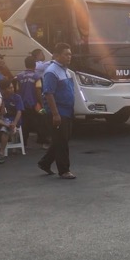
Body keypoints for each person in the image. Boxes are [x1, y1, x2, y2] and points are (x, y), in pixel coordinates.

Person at [38, 43, 76, 180]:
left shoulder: (65, 70)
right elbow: (48, 93)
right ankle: (64, 170)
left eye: (70, 54)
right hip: (59, 112)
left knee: (62, 139)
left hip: (67, 110)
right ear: (57, 55)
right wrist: (55, 114)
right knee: (62, 142)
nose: (69, 57)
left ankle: (45, 163)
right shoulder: (51, 71)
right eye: (66, 54)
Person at [16, 55, 50, 149]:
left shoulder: (19, 76)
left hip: (23, 105)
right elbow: (38, 91)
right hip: (36, 105)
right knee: (42, 120)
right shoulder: (37, 76)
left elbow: (18, 91)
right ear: (35, 65)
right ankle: (43, 140)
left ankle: (24, 142)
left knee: (25, 123)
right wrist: (41, 104)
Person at [0, 78, 23, 159]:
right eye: (10, 88)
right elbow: (1, 115)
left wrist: (14, 123)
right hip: (4, 120)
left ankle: (1, 151)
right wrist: (2, 102)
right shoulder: (0, 98)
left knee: (4, 130)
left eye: (12, 87)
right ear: (4, 90)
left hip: (14, 120)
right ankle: (8, 126)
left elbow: (19, 112)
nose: (12, 89)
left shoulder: (17, 97)